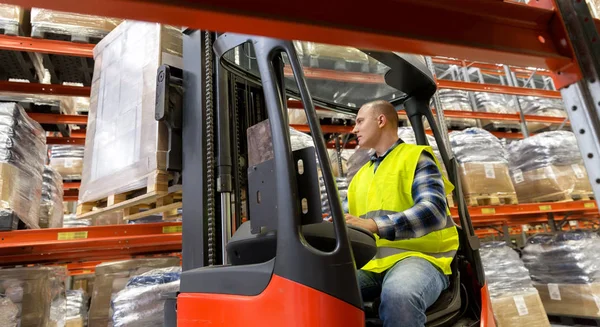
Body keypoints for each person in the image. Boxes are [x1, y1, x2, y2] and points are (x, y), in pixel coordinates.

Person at [345, 100, 459, 327]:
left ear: (381, 120)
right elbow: (355, 223)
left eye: (359, 121)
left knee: (400, 296)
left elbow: (433, 211)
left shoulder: (416, 158)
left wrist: (375, 225)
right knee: (319, 286)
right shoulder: (359, 176)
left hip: (420, 258)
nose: (354, 129)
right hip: (372, 264)